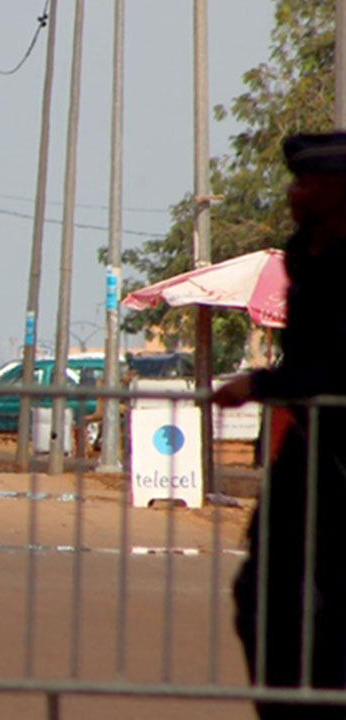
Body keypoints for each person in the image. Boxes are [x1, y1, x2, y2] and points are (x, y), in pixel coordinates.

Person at [214, 132, 346, 719]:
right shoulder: (303, 255)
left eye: (308, 183)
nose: (295, 194)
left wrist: (262, 384)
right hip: (312, 453)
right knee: (262, 595)